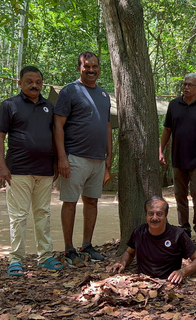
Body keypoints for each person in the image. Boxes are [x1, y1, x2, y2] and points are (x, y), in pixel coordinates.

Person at [0, 66, 63, 275]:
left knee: (43, 213)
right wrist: (1, 166)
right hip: (18, 170)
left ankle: (46, 256)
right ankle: (16, 259)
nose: (34, 85)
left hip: (44, 170)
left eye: (38, 82)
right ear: (20, 83)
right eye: (29, 81)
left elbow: (54, 137)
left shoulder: (49, 107)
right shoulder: (9, 105)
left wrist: (58, 162)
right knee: (19, 216)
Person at [54, 51, 113, 267]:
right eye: (86, 66)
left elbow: (107, 127)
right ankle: (69, 249)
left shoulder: (105, 95)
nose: (91, 70)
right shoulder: (70, 91)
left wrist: (110, 155)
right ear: (79, 68)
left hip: (98, 160)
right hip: (75, 157)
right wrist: (62, 158)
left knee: (92, 201)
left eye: (94, 66)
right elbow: (58, 125)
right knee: (70, 202)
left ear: (99, 68)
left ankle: (87, 245)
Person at [159, 73, 196, 239]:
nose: (186, 87)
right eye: (185, 84)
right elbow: (167, 129)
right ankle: (184, 227)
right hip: (178, 157)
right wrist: (160, 150)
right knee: (179, 194)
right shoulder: (174, 105)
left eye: (190, 85)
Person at [107, 196, 196, 283]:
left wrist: (182, 272)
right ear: (146, 215)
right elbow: (130, 253)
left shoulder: (178, 234)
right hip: (143, 282)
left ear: (166, 216)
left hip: (168, 283)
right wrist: (122, 263)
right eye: (151, 214)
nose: (154, 217)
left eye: (159, 214)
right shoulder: (139, 232)